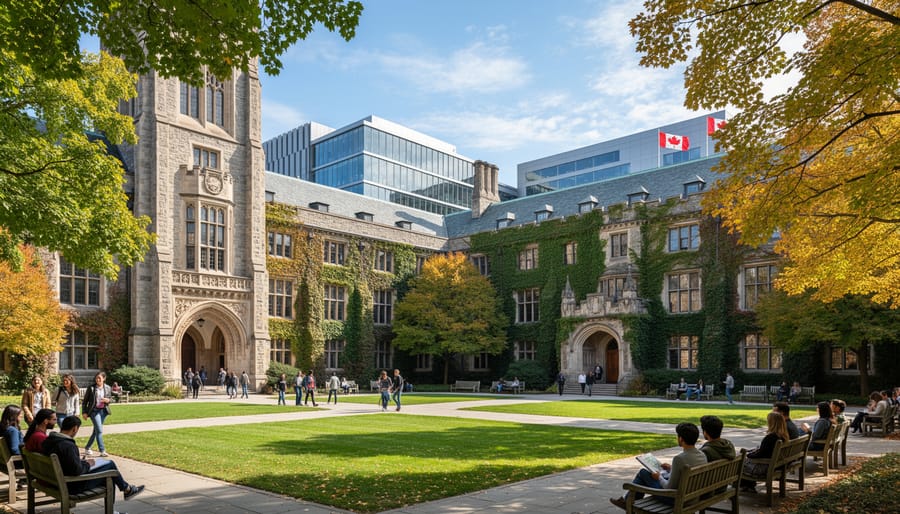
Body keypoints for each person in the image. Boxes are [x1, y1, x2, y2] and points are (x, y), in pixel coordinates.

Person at [42, 416, 145, 500]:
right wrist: (87, 464)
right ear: (75, 428)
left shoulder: (49, 441)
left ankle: (126, 490)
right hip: (71, 485)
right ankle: (126, 490)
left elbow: (66, 462)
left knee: (109, 471)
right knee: (110, 468)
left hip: (53, 481)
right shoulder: (67, 446)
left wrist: (80, 462)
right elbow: (76, 471)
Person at [609, 422, 706, 509]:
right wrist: (671, 469)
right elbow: (684, 472)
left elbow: (668, 487)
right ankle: (626, 501)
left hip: (677, 499)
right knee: (648, 474)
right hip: (693, 497)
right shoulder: (702, 455)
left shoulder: (679, 459)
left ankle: (627, 502)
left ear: (681, 438)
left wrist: (658, 477)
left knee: (643, 473)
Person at [739, 411, 789, 492]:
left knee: (739, 462)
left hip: (765, 467)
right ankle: (748, 485)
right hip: (777, 465)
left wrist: (748, 455)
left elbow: (760, 454)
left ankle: (744, 485)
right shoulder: (783, 436)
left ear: (771, 423)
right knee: (746, 459)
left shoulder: (770, 437)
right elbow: (764, 451)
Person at [82, 371, 113, 457]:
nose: (97, 380)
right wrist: (84, 412)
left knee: (96, 431)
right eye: (96, 378)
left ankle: (87, 447)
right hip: (94, 411)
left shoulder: (107, 388)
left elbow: (110, 398)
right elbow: (85, 402)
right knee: (99, 430)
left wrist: (108, 400)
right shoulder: (91, 388)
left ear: (104, 379)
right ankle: (102, 450)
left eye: (99, 378)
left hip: (103, 411)